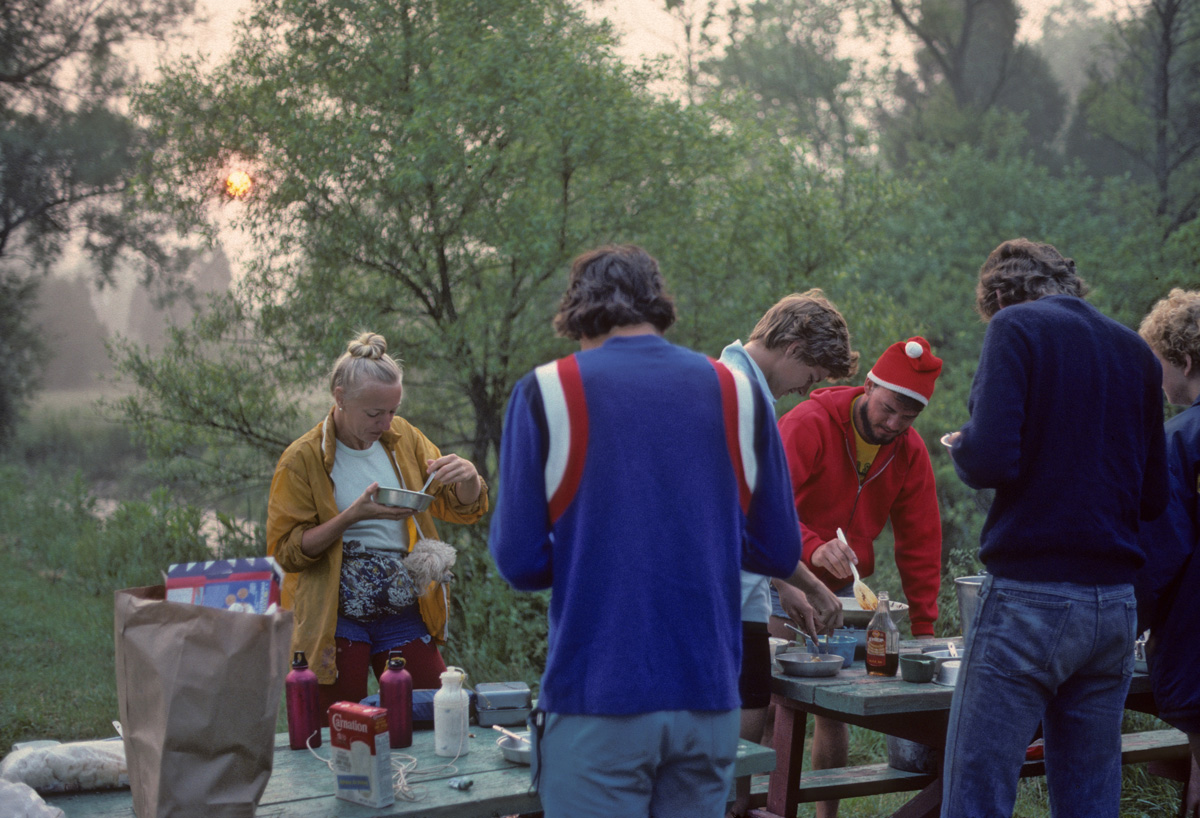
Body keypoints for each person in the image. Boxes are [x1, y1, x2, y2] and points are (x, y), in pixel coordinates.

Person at [489, 245, 804, 818]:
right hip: (708, 697)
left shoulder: (546, 392)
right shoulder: (738, 392)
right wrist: (693, 540)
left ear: (577, 313)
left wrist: (604, 547)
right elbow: (778, 548)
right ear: (658, 306)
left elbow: (519, 562)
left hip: (597, 695)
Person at [941, 239, 1168, 818]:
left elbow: (991, 459)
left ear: (996, 295)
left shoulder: (1015, 328)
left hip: (1031, 598)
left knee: (979, 786)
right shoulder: (1135, 352)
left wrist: (962, 448)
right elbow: (1152, 497)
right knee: (1090, 796)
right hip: (1115, 608)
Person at [267, 332, 489, 717]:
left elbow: (460, 509)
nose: (386, 423)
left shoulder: (405, 438)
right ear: (340, 398)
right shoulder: (301, 459)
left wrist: (469, 478)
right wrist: (350, 517)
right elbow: (287, 552)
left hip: (403, 608)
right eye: (374, 413)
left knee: (441, 712)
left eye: (393, 410)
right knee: (338, 729)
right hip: (336, 616)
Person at [774, 333, 944, 818]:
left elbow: (921, 543)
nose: (894, 424)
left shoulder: (909, 452)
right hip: (781, 572)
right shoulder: (809, 422)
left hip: (847, 591)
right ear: (869, 385)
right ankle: (764, 808)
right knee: (775, 702)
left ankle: (827, 815)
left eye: (907, 417)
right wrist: (810, 546)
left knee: (834, 705)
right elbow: (767, 506)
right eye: (888, 408)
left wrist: (926, 631)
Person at [719, 291, 858, 818]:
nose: (810, 387)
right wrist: (814, 583)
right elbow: (744, 519)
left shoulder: (743, 388)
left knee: (740, 767)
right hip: (723, 604)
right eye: (813, 373)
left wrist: (783, 582)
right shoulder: (739, 396)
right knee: (728, 781)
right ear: (793, 346)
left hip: (747, 593)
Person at [1137, 289, 1200, 816]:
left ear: (1183, 361)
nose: (1157, 383)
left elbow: (1161, 550)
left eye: (1159, 367)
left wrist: (1133, 618)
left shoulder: (1178, 441)